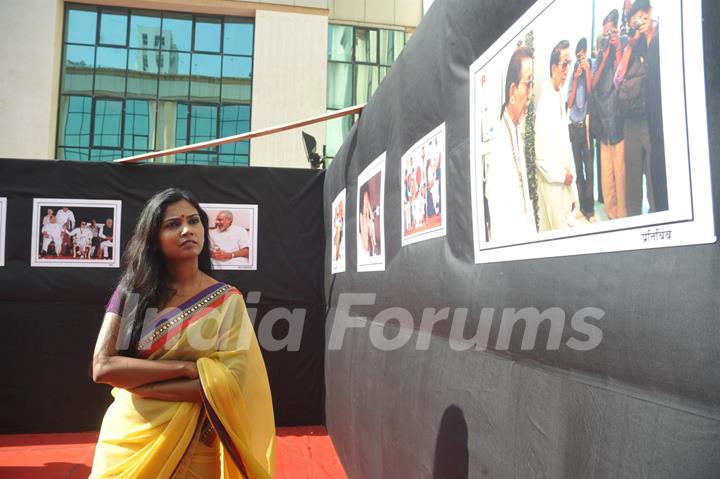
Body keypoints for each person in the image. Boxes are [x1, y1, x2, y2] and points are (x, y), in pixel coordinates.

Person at [90, 188, 275, 478]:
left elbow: (231, 383)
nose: (187, 229)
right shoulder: (132, 293)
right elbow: (103, 367)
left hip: (196, 445)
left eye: (194, 221)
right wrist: (186, 368)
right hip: (129, 436)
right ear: (153, 237)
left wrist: (145, 387)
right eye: (173, 224)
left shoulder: (227, 300)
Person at [615, 0, 666, 215]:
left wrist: (650, 35)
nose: (638, 21)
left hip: (651, 118)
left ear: (650, 13)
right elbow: (617, 80)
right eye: (633, 17)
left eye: (641, 15)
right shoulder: (630, 43)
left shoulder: (659, 38)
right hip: (631, 121)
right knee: (632, 183)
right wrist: (630, 45)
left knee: (655, 180)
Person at [485, 46, 537, 242]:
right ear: (513, 90)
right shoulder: (501, 143)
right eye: (528, 84)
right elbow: (505, 221)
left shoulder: (513, 127)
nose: (531, 95)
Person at [535, 40, 579, 232]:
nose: (567, 70)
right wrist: (563, 177)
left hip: (564, 182)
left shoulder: (559, 94)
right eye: (564, 64)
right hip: (553, 185)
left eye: (570, 64)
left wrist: (571, 179)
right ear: (554, 67)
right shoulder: (545, 103)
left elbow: (564, 144)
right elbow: (541, 160)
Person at [592, 9, 627, 220]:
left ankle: (623, 219)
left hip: (619, 127)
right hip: (604, 130)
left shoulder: (622, 50)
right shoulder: (600, 58)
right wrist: (604, 56)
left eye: (611, 32)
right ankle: (613, 218)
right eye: (606, 34)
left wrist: (618, 48)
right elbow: (593, 86)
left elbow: (620, 78)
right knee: (608, 182)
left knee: (621, 179)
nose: (609, 37)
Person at [567, 37, 596, 223]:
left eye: (582, 55)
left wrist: (586, 73)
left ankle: (591, 211)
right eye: (578, 57)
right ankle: (583, 208)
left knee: (590, 170)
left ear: (586, 53)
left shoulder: (591, 68)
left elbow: (592, 93)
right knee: (579, 170)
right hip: (573, 127)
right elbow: (569, 104)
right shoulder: (573, 75)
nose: (581, 60)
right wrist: (576, 78)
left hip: (586, 127)